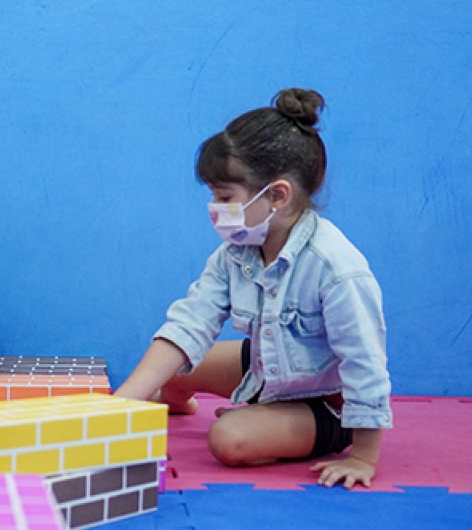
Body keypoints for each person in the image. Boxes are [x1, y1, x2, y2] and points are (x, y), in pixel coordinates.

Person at [115, 88, 392, 489]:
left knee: (229, 440)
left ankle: (294, 428)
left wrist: (364, 456)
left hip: (327, 400)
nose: (215, 208)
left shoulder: (336, 268)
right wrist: (123, 403)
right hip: (269, 369)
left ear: (277, 195)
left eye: (225, 197)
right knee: (172, 365)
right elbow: (189, 324)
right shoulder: (236, 252)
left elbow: (364, 362)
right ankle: (195, 406)